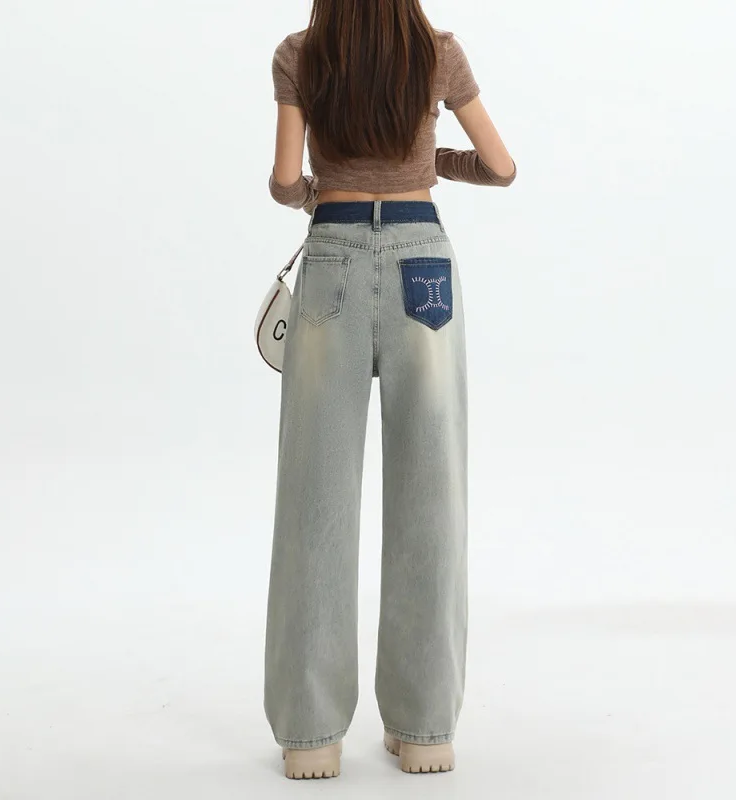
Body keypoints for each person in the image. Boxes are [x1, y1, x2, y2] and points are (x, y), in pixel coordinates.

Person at [263, 0, 516, 780]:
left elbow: (284, 180)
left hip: (332, 259)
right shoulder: (438, 52)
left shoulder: (301, 52)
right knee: (430, 492)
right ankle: (424, 728)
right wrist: (427, 163)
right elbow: (502, 167)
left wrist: (320, 189)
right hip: (422, 265)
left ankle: (310, 735)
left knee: (315, 499)